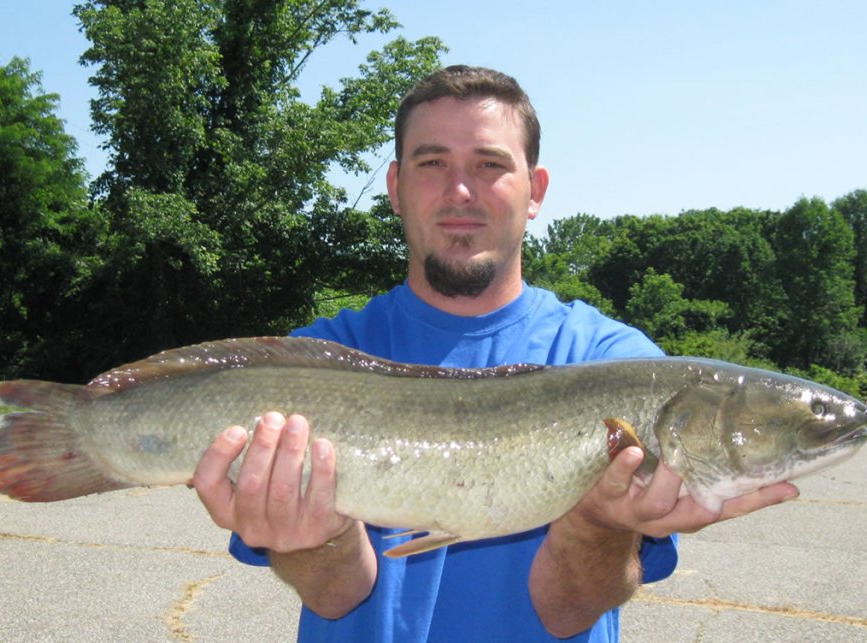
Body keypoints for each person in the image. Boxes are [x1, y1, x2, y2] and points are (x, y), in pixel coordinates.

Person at [192, 65, 797, 642]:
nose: (461, 191)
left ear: (534, 190)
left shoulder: (616, 362)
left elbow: (567, 613)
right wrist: (315, 540)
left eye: (489, 165)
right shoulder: (315, 362)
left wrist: (598, 523)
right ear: (396, 188)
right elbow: (337, 597)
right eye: (432, 164)